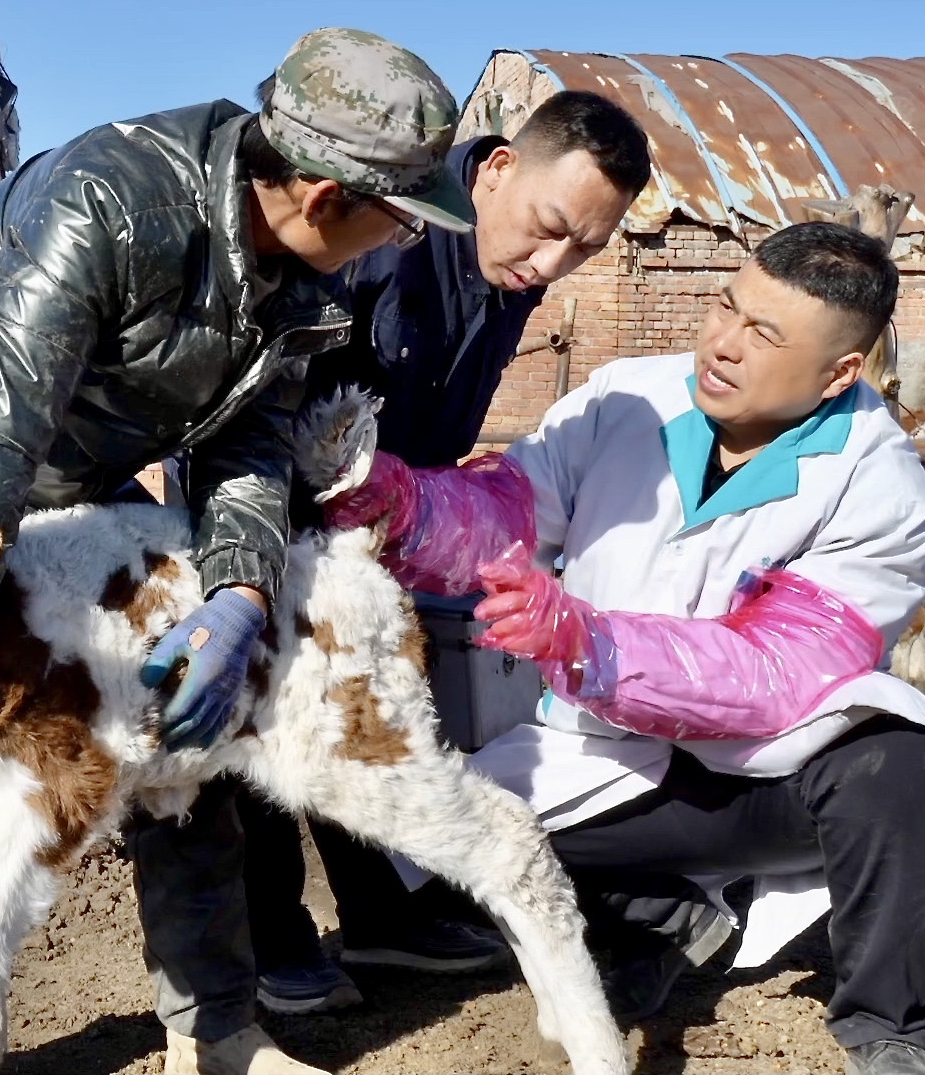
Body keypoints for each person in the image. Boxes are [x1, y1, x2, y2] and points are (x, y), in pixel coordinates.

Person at [0, 29, 479, 1075]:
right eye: (396, 224)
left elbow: (250, 442)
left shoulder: (299, 285)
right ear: (322, 195)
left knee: (182, 719)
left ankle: (216, 1025)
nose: (394, 246)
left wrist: (236, 593)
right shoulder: (111, 200)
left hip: (78, 477)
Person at [325, 221, 925, 1075]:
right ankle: (657, 917)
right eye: (726, 307)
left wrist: (591, 644)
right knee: (403, 834)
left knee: (901, 759)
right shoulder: (627, 396)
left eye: (764, 334)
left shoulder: (880, 485)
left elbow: (777, 671)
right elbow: (512, 510)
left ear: (840, 371)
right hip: (599, 756)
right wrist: (400, 505)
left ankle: (886, 1024)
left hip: (755, 778)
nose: (723, 344)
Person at [235, 89, 654, 1015]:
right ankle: (268, 938)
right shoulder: (384, 228)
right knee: (266, 713)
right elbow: (261, 390)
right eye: (549, 229)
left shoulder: (511, 269)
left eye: (586, 247)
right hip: (268, 504)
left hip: (387, 519)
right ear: (497, 169)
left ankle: (388, 909)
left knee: (376, 708)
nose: (554, 262)